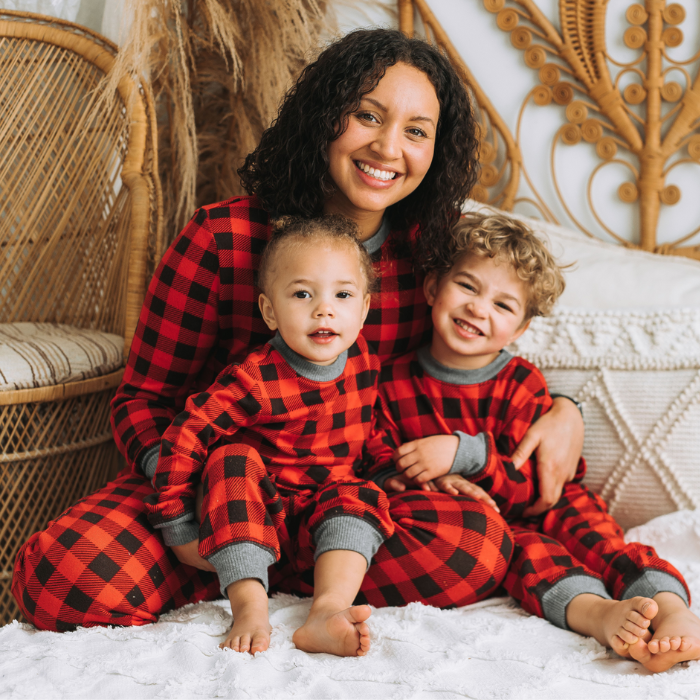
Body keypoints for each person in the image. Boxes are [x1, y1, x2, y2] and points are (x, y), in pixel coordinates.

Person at [12, 28, 582, 633]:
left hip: (343, 503)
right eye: (368, 115)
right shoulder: (222, 238)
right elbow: (142, 400)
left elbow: (484, 348)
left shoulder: (431, 252)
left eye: (416, 131)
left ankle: (292, 586)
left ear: (435, 150)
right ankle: (234, 566)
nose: (389, 148)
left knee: (475, 544)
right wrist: (182, 505)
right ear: (324, 117)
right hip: (215, 489)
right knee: (61, 577)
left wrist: (565, 407)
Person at [365, 212, 700, 673]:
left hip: (553, 502)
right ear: (432, 288)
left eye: (503, 306)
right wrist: (416, 481)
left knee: (601, 540)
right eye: (467, 286)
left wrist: (463, 455)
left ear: (520, 329)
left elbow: (535, 485)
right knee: (531, 560)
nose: (479, 309)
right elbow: (376, 457)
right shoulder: (392, 381)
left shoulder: (521, 382)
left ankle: (673, 609)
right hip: (489, 524)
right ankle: (603, 616)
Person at [147, 216, 396, 656]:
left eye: (343, 294)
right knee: (232, 459)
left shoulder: (366, 364)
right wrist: (177, 522)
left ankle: (327, 610)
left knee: (360, 494)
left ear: (364, 309)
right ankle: (249, 605)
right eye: (303, 294)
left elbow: (369, 431)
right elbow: (186, 436)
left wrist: (393, 470)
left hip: (318, 518)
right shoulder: (255, 379)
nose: (325, 309)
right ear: (269, 311)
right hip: (255, 513)